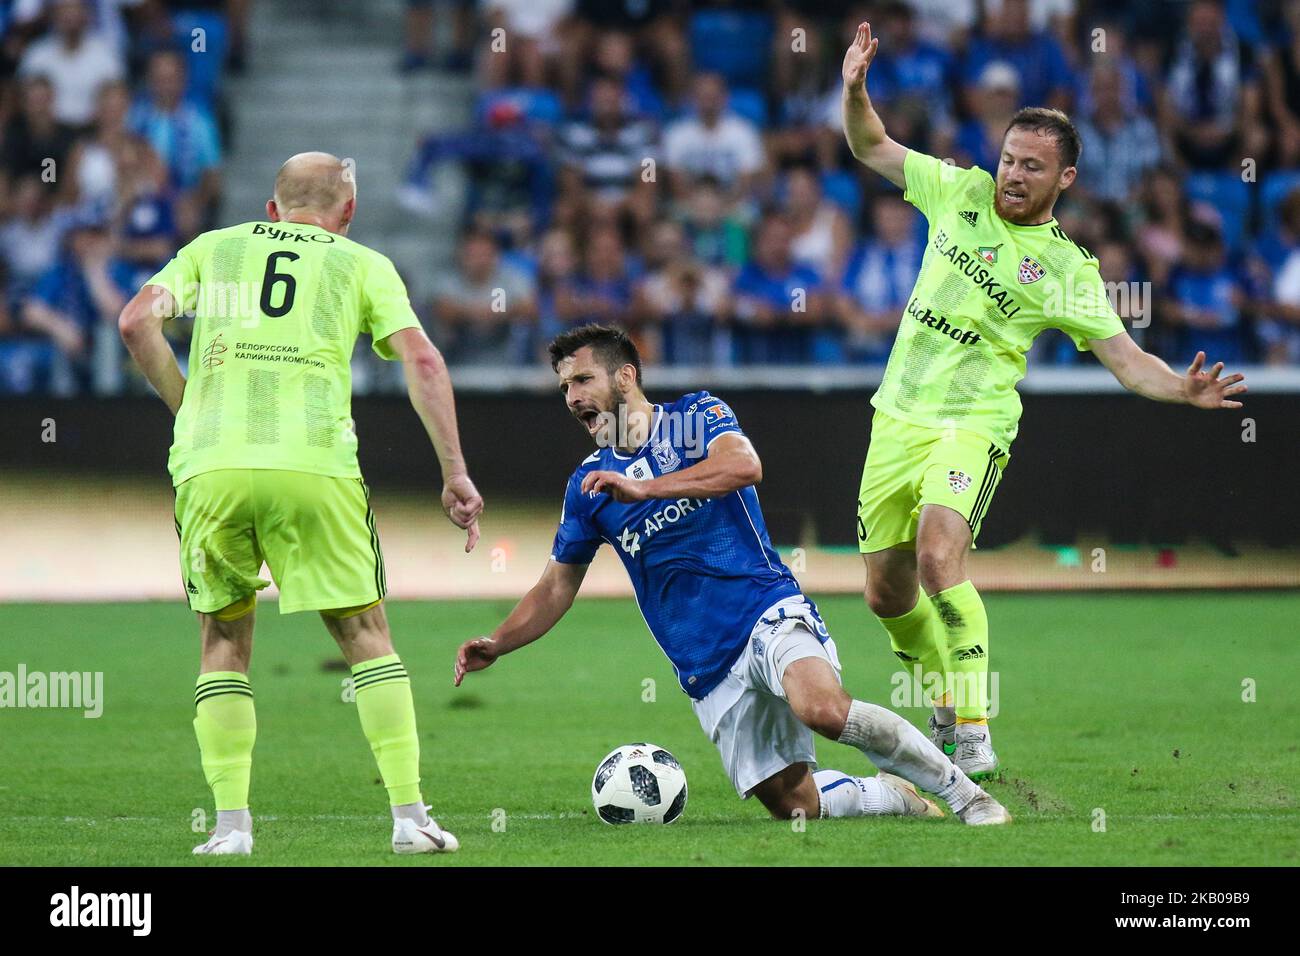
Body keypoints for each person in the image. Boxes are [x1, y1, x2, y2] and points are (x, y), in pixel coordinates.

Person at [840, 22, 1247, 779]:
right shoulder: (956, 190)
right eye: (1007, 159)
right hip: (896, 415)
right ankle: (942, 694)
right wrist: (855, 88)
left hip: (972, 425)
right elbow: (871, 147)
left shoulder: (1066, 270)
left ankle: (972, 731)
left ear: (1065, 179)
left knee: (938, 557)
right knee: (884, 593)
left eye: (1032, 166)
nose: (1012, 175)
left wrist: (1182, 390)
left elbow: (1127, 361)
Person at [453, 324, 1011, 826]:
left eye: (582, 379)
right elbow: (556, 585)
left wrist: (648, 488)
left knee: (821, 708)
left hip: (764, 610)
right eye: (564, 388)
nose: (573, 397)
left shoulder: (694, 420)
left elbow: (744, 466)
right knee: (794, 805)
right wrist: (498, 642)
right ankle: (892, 796)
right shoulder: (588, 485)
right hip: (705, 664)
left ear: (626, 376)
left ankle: (969, 797)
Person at [117, 151, 484, 856]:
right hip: (314, 466)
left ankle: (230, 830)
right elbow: (426, 362)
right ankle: (409, 818)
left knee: (222, 643)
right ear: (347, 214)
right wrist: (454, 472)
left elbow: (136, 322)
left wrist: (189, 406)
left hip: (212, 469)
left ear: (271, 208)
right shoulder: (360, 263)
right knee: (365, 636)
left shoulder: (213, 248)